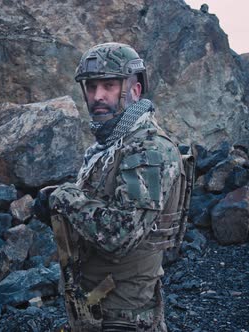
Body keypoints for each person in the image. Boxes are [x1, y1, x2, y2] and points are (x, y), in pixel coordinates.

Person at [43, 42, 189, 331]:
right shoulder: (111, 145)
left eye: (109, 86)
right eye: (91, 86)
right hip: (99, 305)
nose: (98, 96)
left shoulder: (148, 150)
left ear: (134, 91)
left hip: (122, 316)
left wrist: (64, 199)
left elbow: (121, 234)